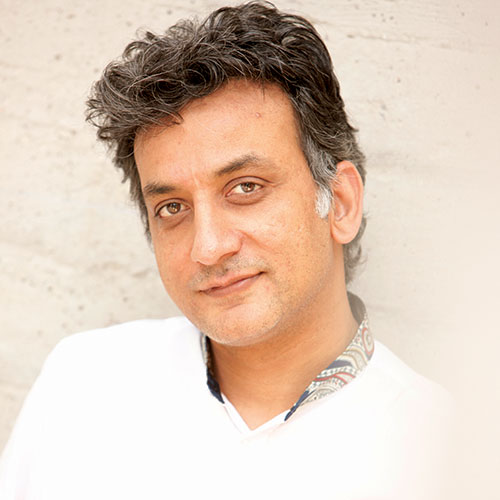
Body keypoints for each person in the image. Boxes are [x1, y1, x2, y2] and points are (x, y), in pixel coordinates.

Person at [0, 2, 452, 499]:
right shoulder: (82, 385)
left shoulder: (446, 457)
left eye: (246, 187)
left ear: (340, 203)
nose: (209, 248)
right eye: (172, 207)